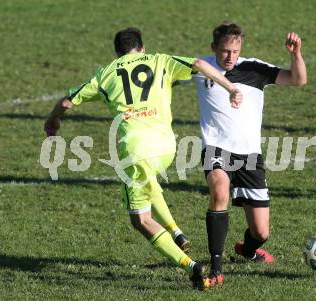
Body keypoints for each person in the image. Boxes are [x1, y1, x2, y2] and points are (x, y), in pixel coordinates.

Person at [43, 27, 242, 289]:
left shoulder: (106, 72)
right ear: (142, 47)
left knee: (141, 220)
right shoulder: (160, 59)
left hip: (135, 149)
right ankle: (176, 231)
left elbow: (67, 103)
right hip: (167, 146)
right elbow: (199, 64)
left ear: (118, 52)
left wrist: (52, 121)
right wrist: (229, 88)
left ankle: (190, 265)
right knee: (149, 180)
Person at [186, 22, 306, 286]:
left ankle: (248, 250)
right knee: (219, 190)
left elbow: (298, 80)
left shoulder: (254, 68)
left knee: (261, 232)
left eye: (235, 51)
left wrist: (295, 54)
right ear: (213, 48)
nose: (231, 57)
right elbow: (164, 73)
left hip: (250, 155)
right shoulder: (200, 67)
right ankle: (216, 267)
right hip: (216, 147)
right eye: (225, 51)